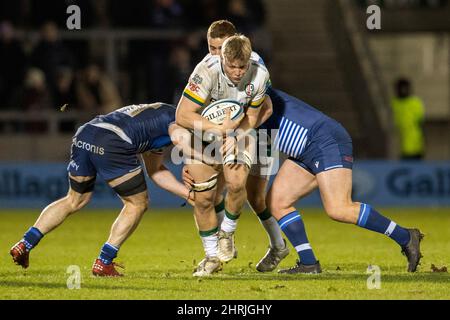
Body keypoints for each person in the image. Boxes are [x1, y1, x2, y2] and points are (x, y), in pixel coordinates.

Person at [10, 103, 195, 277]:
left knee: (74, 200)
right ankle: (104, 261)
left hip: (86, 133)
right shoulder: (177, 119)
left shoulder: (157, 116)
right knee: (137, 204)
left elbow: (155, 171)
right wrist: (195, 160)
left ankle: (25, 244)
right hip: (112, 141)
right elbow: (179, 137)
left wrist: (187, 194)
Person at [260, 88, 423, 273]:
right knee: (277, 202)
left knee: (339, 208)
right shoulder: (234, 94)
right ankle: (308, 263)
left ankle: (405, 236)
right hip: (304, 150)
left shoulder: (249, 89)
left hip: (323, 139)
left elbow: (252, 116)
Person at [175, 34, 271, 276]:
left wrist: (236, 136)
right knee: (204, 198)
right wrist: (219, 130)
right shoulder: (205, 71)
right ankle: (211, 257)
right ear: (222, 59)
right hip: (205, 132)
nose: (238, 72)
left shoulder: (260, 73)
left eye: (242, 66)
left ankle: (227, 232)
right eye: (232, 66)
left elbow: (253, 115)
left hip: (239, 130)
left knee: (237, 184)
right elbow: (183, 115)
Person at [200, 20, 289, 272]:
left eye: (220, 49)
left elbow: (265, 110)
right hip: (227, 130)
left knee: (255, 197)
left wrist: (237, 135)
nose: (215, 54)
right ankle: (223, 244)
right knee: (213, 191)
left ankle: (278, 245)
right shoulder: (211, 66)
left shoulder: (254, 67)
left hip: (260, 131)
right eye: (211, 48)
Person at [391, 78, 425, 160]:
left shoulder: (416, 102)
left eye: (405, 88)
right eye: (401, 88)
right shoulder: (394, 103)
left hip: (416, 145)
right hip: (399, 144)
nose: (403, 91)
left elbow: (421, 123)